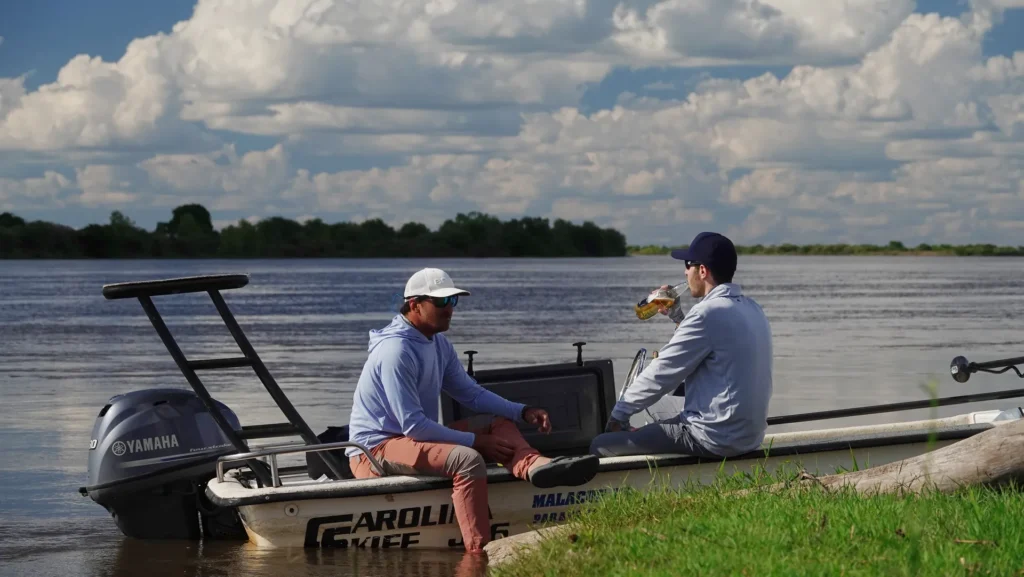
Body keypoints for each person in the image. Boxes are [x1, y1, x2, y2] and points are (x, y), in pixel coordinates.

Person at [346, 267, 600, 553]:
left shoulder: (438, 344)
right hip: (375, 450)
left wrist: (523, 410)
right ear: (415, 304)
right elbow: (414, 427)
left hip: (410, 440)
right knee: (467, 459)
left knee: (497, 423)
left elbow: (471, 394)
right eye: (441, 302)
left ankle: (535, 467)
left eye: (453, 301)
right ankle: (480, 553)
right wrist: (477, 442)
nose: (450, 309)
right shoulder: (396, 352)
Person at [589, 231, 773, 460]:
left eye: (688, 265)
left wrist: (618, 415)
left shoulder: (708, 313)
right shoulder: (752, 308)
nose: (685, 272)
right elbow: (708, 345)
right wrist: (677, 316)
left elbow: (663, 372)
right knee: (661, 413)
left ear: (703, 270)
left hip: (714, 438)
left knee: (600, 444)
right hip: (749, 436)